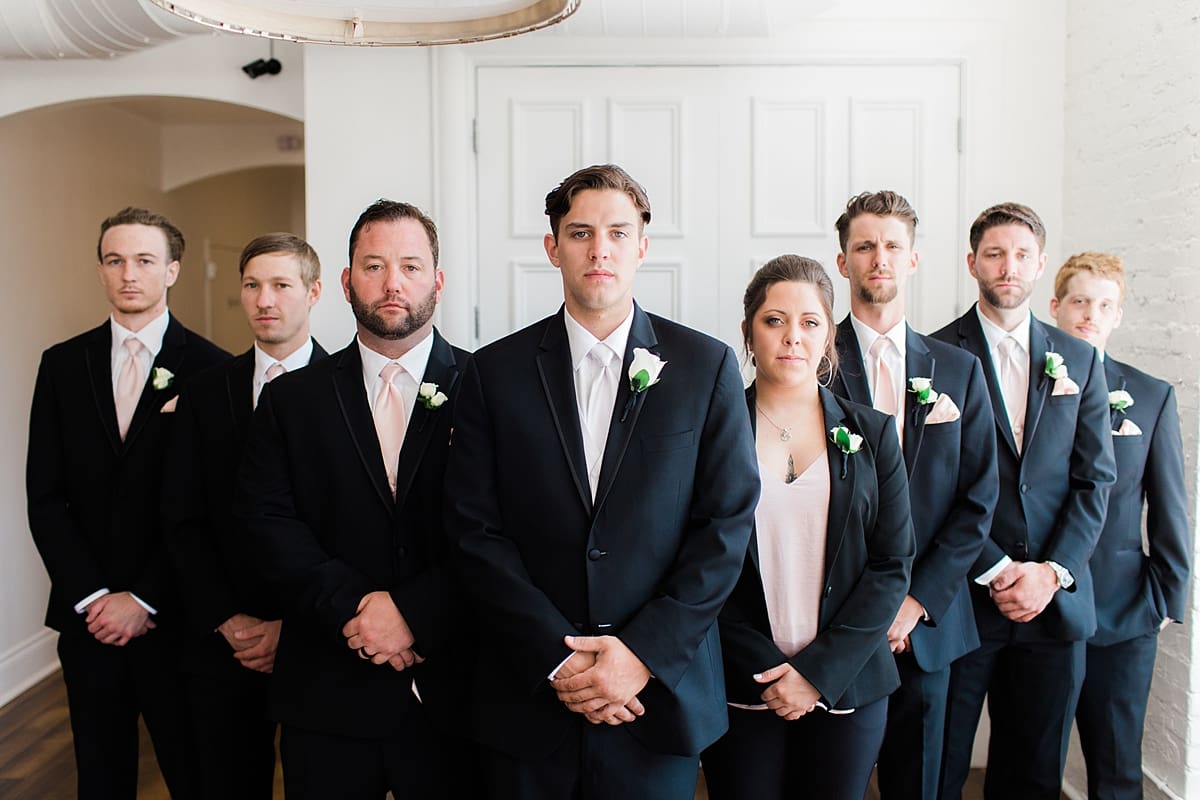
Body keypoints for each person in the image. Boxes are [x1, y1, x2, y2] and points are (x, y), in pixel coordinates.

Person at [444, 163, 760, 799]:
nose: (599, 249)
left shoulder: (706, 367)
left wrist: (639, 656)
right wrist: (559, 660)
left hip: (656, 698)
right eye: (581, 232)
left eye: (618, 232)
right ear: (552, 246)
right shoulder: (492, 373)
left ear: (642, 246)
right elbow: (472, 530)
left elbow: (724, 525)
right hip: (529, 694)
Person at [235, 201, 471, 799]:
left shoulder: (488, 387)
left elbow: (508, 527)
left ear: (437, 282)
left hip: (457, 686)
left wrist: (417, 613)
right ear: (344, 282)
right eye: (373, 266)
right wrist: (359, 606)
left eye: (411, 266)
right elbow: (268, 524)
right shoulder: (291, 400)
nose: (393, 283)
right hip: (326, 687)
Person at [26, 207, 230, 799]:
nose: (128, 274)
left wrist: (144, 598)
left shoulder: (213, 371)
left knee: (193, 774)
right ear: (101, 271)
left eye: (144, 261)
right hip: (87, 620)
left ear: (172, 271)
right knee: (100, 776)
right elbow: (45, 496)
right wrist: (93, 597)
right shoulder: (62, 365)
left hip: (175, 616)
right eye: (115, 261)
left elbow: (207, 511)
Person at [701, 254, 915, 800]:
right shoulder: (710, 433)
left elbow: (892, 566)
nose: (792, 336)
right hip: (742, 682)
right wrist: (771, 670)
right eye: (774, 320)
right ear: (749, 332)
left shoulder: (874, 433)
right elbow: (693, 562)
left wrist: (816, 673)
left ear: (828, 338)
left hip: (849, 682)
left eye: (809, 322)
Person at [933, 203, 1116, 799]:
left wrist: (1050, 573)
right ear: (972, 263)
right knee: (940, 768)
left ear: (1039, 265)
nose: (1007, 267)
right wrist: (996, 567)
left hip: (1052, 606)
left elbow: (1094, 482)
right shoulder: (934, 357)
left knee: (1034, 777)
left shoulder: (1081, 360)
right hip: (963, 600)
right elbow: (929, 486)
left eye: (1019, 255)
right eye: (994, 254)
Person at [829, 190, 997, 800]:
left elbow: (977, 500)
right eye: (865, 246)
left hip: (925, 625)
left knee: (921, 784)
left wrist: (917, 601)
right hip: (831, 621)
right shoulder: (810, 359)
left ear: (914, 260)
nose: (880, 258)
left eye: (892, 246)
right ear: (843, 261)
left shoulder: (958, 369)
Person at [164, 233, 328, 798]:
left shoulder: (347, 387)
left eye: (281, 285)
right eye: (253, 285)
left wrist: (296, 624)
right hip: (222, 640)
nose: (264, 299)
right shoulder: (205, 391)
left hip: (318, 639)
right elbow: (181, 518)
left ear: (314, 292)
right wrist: (228, 619)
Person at [1049, 251, 1190, 800]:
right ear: (1056, 306)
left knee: (1116, 765)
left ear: (1118, 316)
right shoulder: (1026, 388)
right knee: (1035, 758)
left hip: (1125, 609)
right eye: (1080, 301)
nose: (1090, 313)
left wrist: (1164, 599)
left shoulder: (1151, 397)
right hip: (1044, 611)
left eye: (1104, 304)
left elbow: (1170, 505)